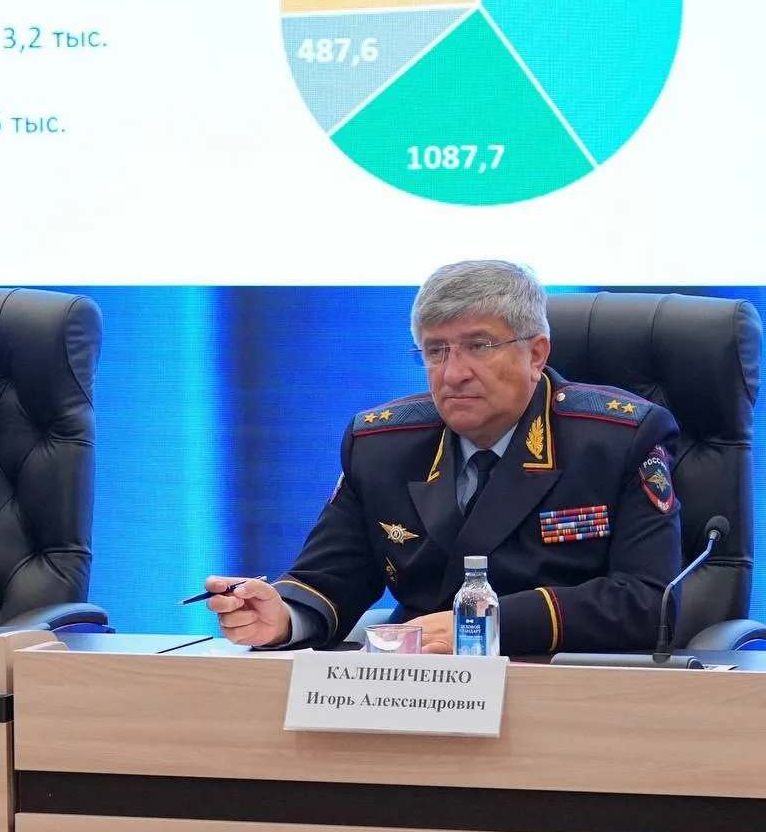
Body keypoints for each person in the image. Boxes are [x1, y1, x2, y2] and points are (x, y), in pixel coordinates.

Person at [205, 260, 682, 655]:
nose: (453, 374)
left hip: (561, 684)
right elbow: (331, 576)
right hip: (417, 692)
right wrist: (283, 617)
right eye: (436, 351)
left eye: (479, 346)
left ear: (536, 354)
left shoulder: (618, 438)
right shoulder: (382, 444)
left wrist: (482, 626)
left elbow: (646, 602)